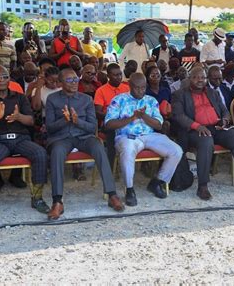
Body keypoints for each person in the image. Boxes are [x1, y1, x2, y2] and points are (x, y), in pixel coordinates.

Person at [0, 64, 50, 223]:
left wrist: (18, 117)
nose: (1, 80)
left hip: (20, 139)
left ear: (9, 79)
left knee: (40, 153)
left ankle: (37, 198)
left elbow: (31, 121)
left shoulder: (20, 97)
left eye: (4, 76)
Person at [45, 68, 124, 220]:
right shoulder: (52, 99)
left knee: (100, 148)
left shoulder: (86, 99)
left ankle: (112, 194)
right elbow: (50, 128)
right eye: (69, 80)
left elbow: (91, 126)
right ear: (61, 83)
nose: (74, 83)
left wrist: (76, 121)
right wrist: (65, 120)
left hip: (83, 137)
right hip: (61, 138)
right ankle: (57, 201)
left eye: (76, 79)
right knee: (56, 153)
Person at [172, 67, 234, 199]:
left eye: (203, 77)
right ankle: (202, 186)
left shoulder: (213, 93)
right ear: (190, 78)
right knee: (206, 141)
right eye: (196, 77)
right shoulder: (180, 94)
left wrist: (225, 120)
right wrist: (197, 126)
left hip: (216, 128)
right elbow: (178, 115)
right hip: (195, 131)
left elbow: (224, 111)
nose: (200, 80)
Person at [104, 72, 182, 205]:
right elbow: (109, 124)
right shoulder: (119, 100)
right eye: (137, 88)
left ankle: (157, 182)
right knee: (128, 150)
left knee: (176, 150)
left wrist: (143, 116)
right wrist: (132, 118)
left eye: (143, 88)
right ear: (129, 86)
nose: (141, 91)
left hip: (149, 136)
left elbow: (158, 125)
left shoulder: (151, 101)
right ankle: (129, 189)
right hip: (127, 136)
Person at [94, 63, 130, 168]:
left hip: (127, 121)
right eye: (115, 75)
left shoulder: (127, 88)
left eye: (120, 74)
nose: (119, 77)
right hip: (109, 123)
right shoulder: (101, 90)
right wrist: (113, 117)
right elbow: (98, 112)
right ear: (108, 76)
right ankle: (110, 167)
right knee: (112, 132)